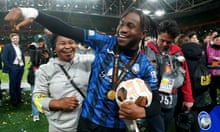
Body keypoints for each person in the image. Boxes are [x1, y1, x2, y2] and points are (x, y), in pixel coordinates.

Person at [5, 7, 162, 132]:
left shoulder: (145, 66)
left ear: (143, 34)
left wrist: (144, 113)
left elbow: (156, 101)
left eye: (130, 26)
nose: (122, 29)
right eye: (121, 23)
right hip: (86, 122)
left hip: (115, 127)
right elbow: (67, 29)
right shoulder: (105, 43)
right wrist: (30, 12)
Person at [33, 34, 94, 132]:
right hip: (59, 127)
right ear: (54, 47)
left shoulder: (87, 61)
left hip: (87, 124)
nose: (68, 46)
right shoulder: (45, 70)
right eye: (62, 43)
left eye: (71, 42)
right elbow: (37, 98)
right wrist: (58, 103)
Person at [143, 20, 194, 132]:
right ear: (157, 35)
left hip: (171, 99)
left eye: (169, 42)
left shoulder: (178, 52)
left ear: (174, 40)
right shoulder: (146, 50)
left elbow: (186, 77)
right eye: (162, 40)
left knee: (165, 128)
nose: (165, 44)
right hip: (152, 98)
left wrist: (188, 98)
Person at [28, 34, 49, 122]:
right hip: (34, 76)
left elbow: (50, 64)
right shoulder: (33, 49)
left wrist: (48, 58)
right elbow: (34, 61)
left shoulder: (47, 51)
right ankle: (35, 113)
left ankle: (42, 109)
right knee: (34, 95)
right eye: (38, 41)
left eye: (41, 41)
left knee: (44, 95)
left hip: (44, 77)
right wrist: (36, 49)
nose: (40, 43)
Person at [2, 33, 25, 107]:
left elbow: (22, 56)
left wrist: (23, 65)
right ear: (11, 39)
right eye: (14, 38)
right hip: (13, 67)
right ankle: (14, 100)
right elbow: (4, 58)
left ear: (19, 39)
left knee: (18, 84)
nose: (16, 39)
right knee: (13, 84)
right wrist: (10, 67)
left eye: (17, 38)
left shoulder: (20, 47)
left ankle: (19, 98)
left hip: (20, 67)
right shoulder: (7, 47)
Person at [207, 34, 220, 106]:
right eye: (217, 40)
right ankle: (213, 102)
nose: (218, 41)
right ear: (214, 41)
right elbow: (208, 59)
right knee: (212, 89)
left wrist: (215, 61)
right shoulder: (209, 49)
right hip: (211, 74)